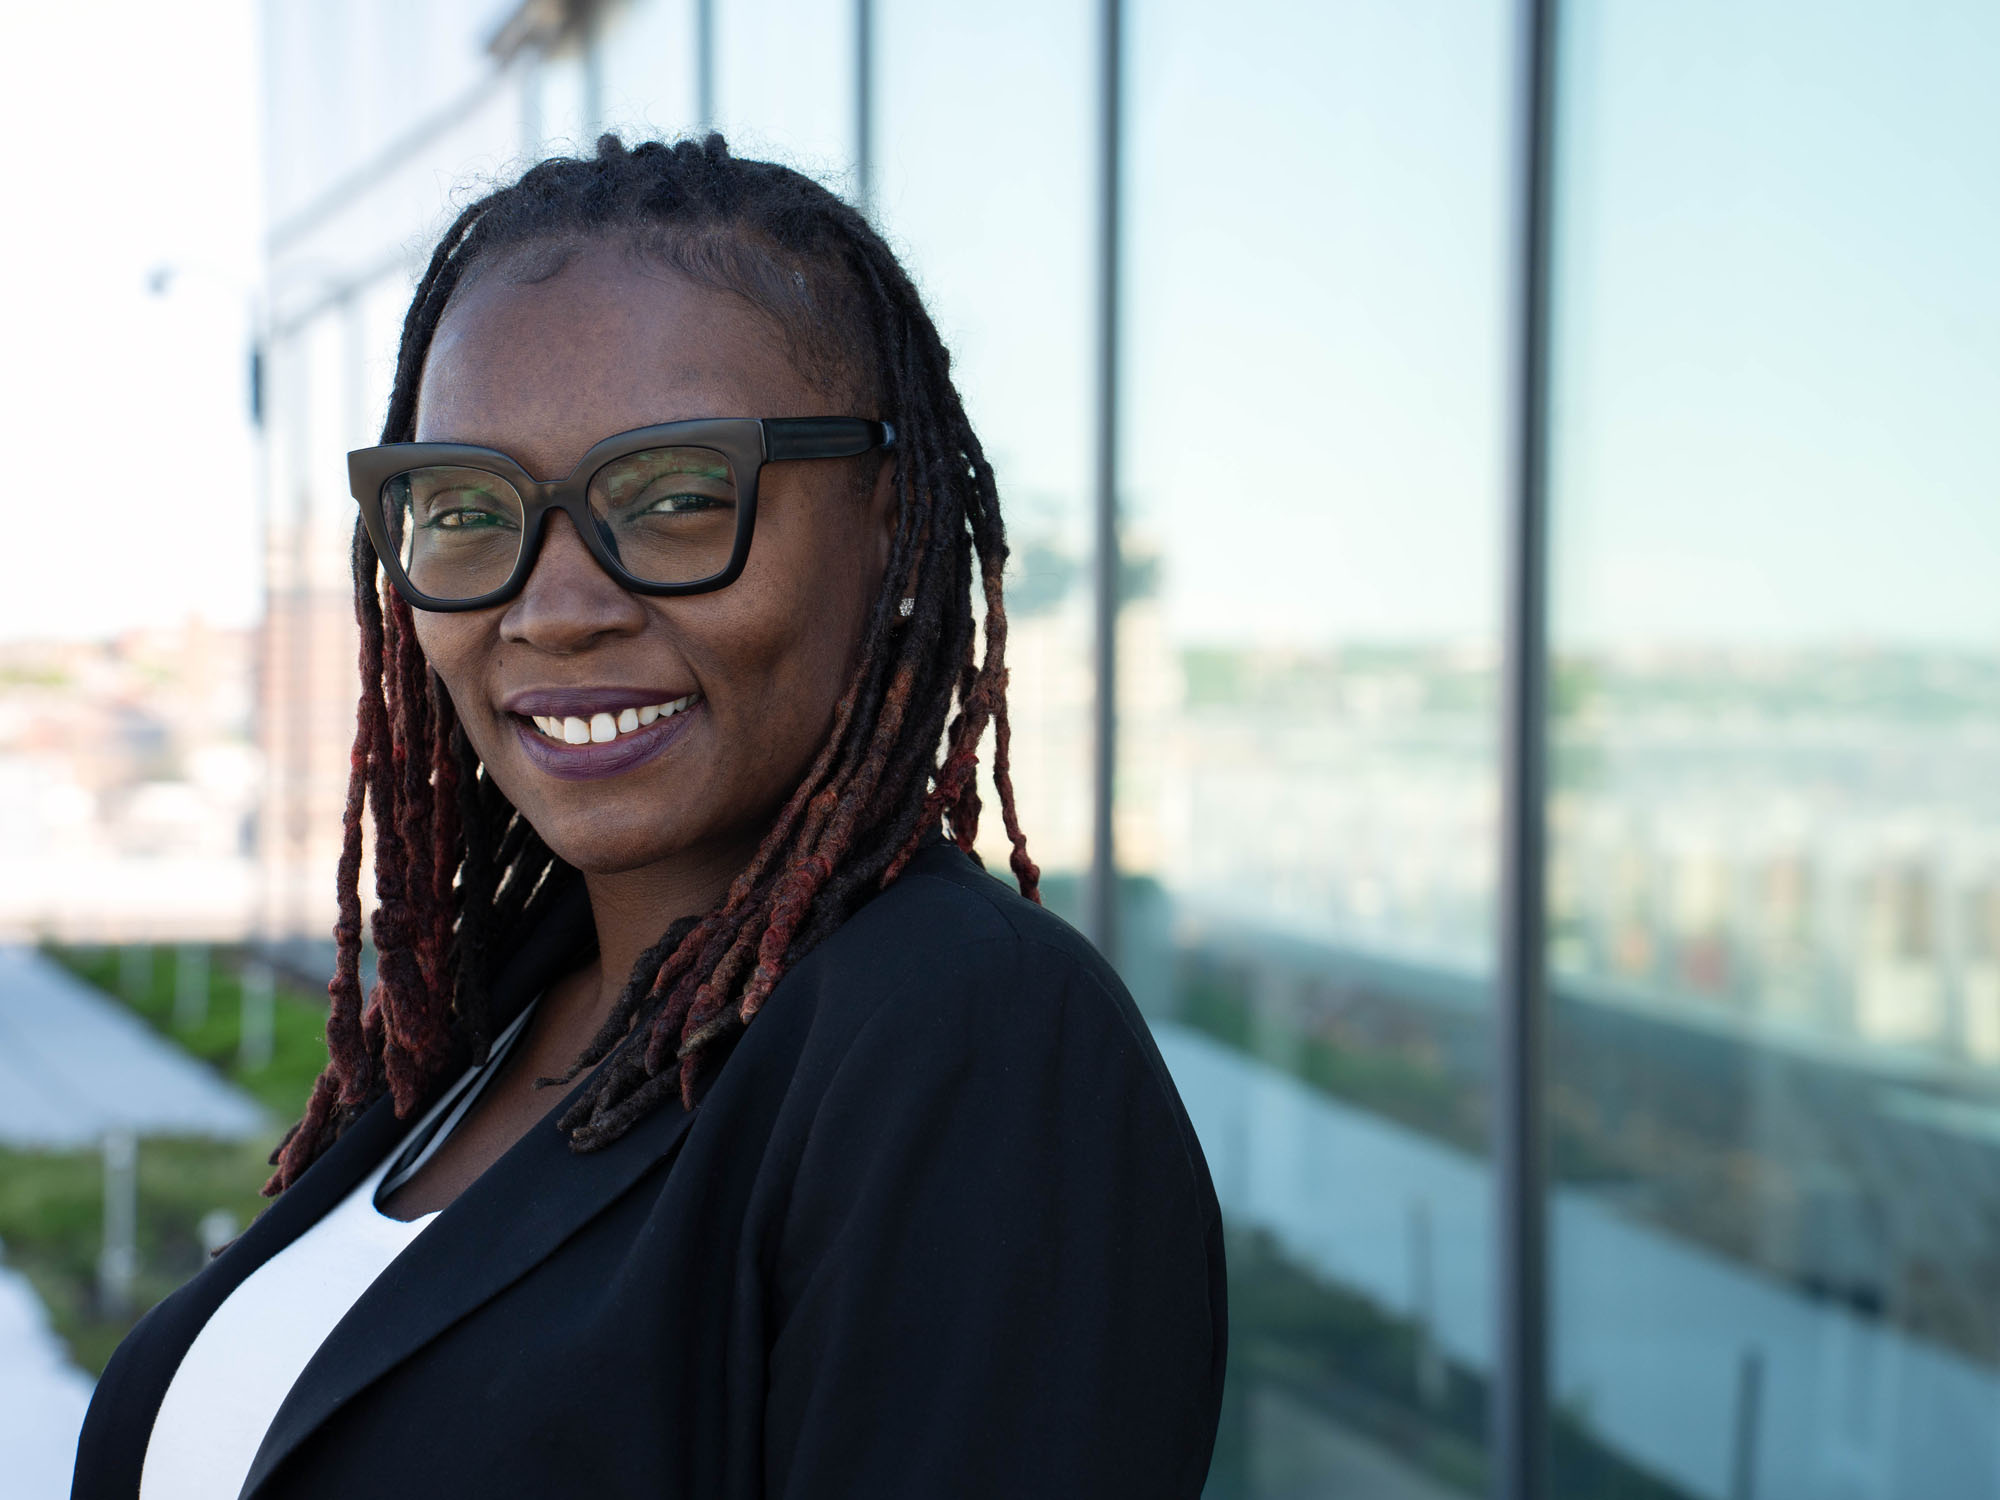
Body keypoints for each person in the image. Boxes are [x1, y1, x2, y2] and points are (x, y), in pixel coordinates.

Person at [71, 133, 1225, 1500]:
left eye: (676, 497)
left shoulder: (967, 1036)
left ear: (889, 521)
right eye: (466, 507)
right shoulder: (496, 1021)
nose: (554, 609)